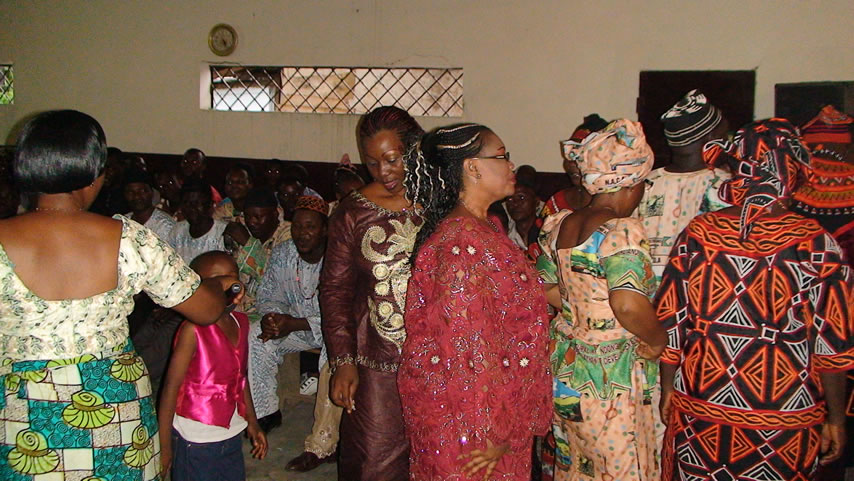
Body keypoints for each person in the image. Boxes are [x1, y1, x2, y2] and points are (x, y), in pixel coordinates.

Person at [0, 110, 236, 481]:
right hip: (113, 408)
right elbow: (205, 310)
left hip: (22, 414)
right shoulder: (128, 239)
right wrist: (219, 285)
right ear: (95, 173)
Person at [657, 119, 854, 481]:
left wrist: (668, 387)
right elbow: (833, 343)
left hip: (702, 405)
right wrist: (836, 418)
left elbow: (670, 320)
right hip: (783, 416)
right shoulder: (815, 242)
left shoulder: (699, 233)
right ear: (794, 170)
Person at [398, 123, 552, 480]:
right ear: (472, 167)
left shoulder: (486, 227)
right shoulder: (460, 241)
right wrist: (492, 429)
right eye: (501, 156)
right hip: (473, 423)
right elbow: (464, 346)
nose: (511, 165)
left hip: (494, 407)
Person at [537, 119, 666, 481]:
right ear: (630, 184)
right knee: (621, 466)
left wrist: (584, 313)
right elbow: (627, 304)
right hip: (611, 377)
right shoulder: (622, 231)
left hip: (568, 369)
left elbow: (545, 287)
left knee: (576, 463)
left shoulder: (559, 225)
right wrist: (657, 339)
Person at [320, 105, 424, 481]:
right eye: (372, 162)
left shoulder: (441, 202)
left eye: (393, 159)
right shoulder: (353, 213)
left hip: (437, 360)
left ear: (414, 149)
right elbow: (334, 289)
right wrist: (343, 360)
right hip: (377, 364)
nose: (383, 172)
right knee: (374, 463)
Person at [158, 251, 267, 480]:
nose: (230, 288)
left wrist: (252, 421)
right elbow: (170, 387)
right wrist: (164, 446)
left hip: (231, 431)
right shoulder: (193, 330)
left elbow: (241, 377)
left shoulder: (241, 323)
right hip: (195, 437)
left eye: (233, 279)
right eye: (219, 282)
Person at [638, 89, 731, 283]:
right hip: (698, 291)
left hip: (643, 293)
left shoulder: (643, 183)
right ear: (710, 137)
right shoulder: (726, 186)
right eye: (724, 135)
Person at [228, 188, 292, 318]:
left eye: (258, 217)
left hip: (274, 310)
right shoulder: (243, 229)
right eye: (248, 216)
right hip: (241, 306)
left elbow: (275, 279)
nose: (251, 222)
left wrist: (248, 243)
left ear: (275, 214)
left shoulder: (289, 235)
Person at [539, 114, 608, 219]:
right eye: (570, 154)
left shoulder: (615, 206)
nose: (571, 162)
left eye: (580, 155)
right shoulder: (557, 203)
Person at [167, 180, 228, 263]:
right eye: (186, 203)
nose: (191, 208)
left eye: (196, 203)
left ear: (210, 205)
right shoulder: (177, 231)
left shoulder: (222, 233)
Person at [124, 167, 176, 241]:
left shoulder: (165, 225)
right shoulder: (123, 222)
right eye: (131, 192)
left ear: (151, 193)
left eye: (142, 191)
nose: (137, 196)